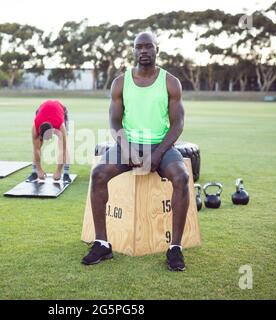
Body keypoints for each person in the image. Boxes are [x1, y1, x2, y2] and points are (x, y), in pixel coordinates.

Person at [82, 32, 189, 271]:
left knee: (181, 177)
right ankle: (102, 244)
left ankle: (175, 248)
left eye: (148, 47)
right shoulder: (121, 82)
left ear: (156, 50)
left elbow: (178, 124)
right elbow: (114, 122)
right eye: (138, 47)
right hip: (127, 144)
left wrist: (158, 153)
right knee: (98, 173)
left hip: (161, 145)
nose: (143, 51)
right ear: (133, 51)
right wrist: (126, 147)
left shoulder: (170, 82)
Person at [28, 99, 71, 183]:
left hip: (60, 109)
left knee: (63, 145)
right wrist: (39, 170)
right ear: (40, 133)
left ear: (53, 131)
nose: (49, 140)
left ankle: (66, 173)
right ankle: (34, 172)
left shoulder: (60, 126)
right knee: (37, 146)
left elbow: (63, 150)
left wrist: (58, 171)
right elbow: (36, 150)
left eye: (50, 137)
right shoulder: (35, 128)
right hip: (41, 109)